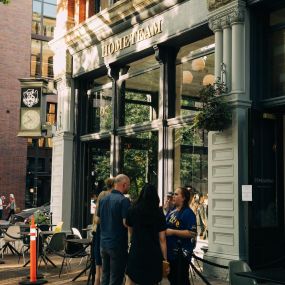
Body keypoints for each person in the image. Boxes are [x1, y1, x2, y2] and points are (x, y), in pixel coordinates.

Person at [125, 184, 167, 285]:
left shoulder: (132, 210)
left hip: (136, 251)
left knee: (131, 279)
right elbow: (162, 239)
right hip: (153, 254)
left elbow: (130, 230)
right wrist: (165, 259)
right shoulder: (159, 213)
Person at [97, 174, 131, 285]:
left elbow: (99, 219)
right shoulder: (124, 201)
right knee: (116, 278)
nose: (129, 187)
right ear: (124, 184)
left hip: (103, 243)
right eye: (128, 185)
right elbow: (126, 223)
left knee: (105, 275)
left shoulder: (103, 200)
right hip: (117, 244)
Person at [166, 187, 197, 285]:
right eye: (173, 194)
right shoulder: (172, 211)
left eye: (176, 194)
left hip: (181, 255)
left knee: (181, 280)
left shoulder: (188, 213)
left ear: (183, 198)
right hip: (170, 253)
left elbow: (192, 233)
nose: (173, 196)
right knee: (172, 279)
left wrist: (173, 232)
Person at [92, 177, 114, 285]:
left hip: (97, 228)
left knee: (98, 258)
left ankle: (97, 280)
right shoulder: (112, 196)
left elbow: (97, 213)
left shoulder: (101, 194)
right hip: (106, 231)